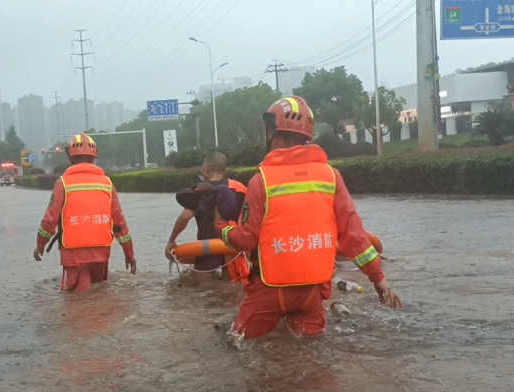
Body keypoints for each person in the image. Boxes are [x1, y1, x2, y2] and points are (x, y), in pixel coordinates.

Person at [215, 96, 401, 338]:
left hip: (269, 289)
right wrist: (378, 279)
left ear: (274, 131)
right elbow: (354, 236)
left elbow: (246, 240)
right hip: (312, 293)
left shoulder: (261, 181)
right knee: (312, 353)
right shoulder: (331, 176)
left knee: (236, 342)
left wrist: (221, 226)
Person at [33, 133, 137, 292]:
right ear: (94, 158)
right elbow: (119, 224)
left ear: (70, 158)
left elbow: (49, 220)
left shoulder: (62, 184)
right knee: (99, 295)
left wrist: (40, 246)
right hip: (101, 252)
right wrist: (129, 253)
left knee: (77, 299)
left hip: (73, 254)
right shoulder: (107, 183)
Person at [164, 152, 248, 282]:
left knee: (203, 288)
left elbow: (185, 217)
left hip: (208, 249)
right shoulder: (239, 188)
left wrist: (171, 241)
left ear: (206, 168)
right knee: (231, 287)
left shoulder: (200, 191)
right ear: (224, 171)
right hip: (233, 247)